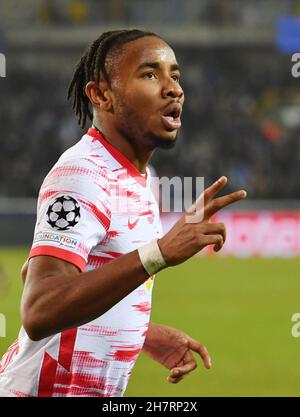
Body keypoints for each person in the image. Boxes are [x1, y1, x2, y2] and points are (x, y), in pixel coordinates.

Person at [0, 29, 246, 397]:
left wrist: (138, 332)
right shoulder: (82, 174)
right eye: (150, 74)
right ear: (101, 95)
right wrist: (158, 253)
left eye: (174, 76)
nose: (173, 89)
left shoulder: (144, 179)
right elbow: (39, 310)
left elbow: (37, 270)